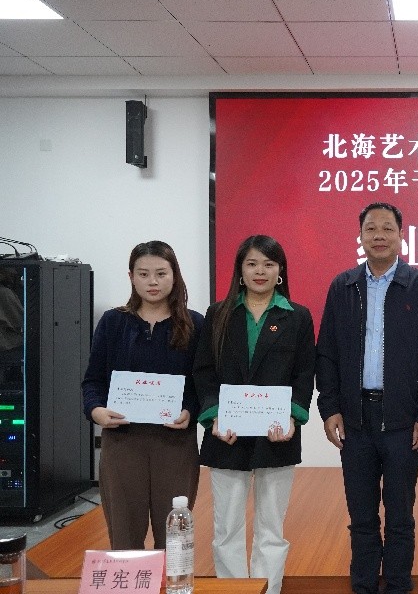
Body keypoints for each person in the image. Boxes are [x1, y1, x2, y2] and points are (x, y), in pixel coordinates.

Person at [316, 202, 418, 594]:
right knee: (361, 517)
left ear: (401, 236)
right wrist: (329, 407)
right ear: (360, 236)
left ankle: (398, 586)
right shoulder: (343, 286)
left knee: (400, 518)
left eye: (387, 228)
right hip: (355, 420)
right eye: (371, 228)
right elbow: (327, 353)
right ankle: (363, 586)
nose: (379, 235)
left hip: (403, 421)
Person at [194, 235, 316, 594]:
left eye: (268, 264)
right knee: (226, 528)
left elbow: (304, 373)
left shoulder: (297, 317)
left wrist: (292, 417)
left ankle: (268, 589)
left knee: (271, 528)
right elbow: (204, 371)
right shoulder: (218, 314)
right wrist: (214, 417)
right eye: (252, 264)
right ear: (240, 270)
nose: (260, 271)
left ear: (280, 271)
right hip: (226, 434)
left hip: (277, 434)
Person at [81, 241, 204, 549]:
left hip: (175, 443)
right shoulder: (113, 322)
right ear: (131, 277)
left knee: (174, 539)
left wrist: (190, 410)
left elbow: (202, 383)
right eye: (144, 274)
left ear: (174, 275)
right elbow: (92, 381)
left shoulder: (194, 323)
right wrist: (96, 410)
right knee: (124, 536)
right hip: (122, 441)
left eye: (161, 273)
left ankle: (172, 577)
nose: (153, 281)